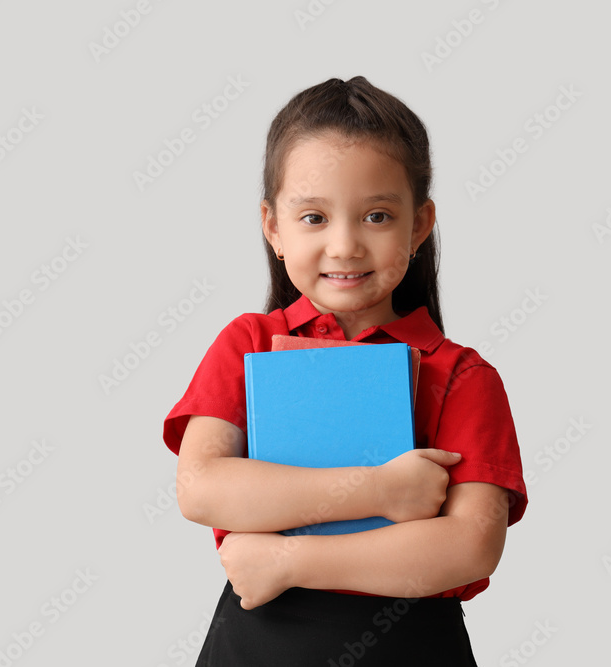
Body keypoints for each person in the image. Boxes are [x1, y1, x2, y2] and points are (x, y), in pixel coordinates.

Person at [161, 76, 528, 666]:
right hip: (258, 645)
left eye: (377, 215)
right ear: (272, 226)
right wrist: (383, 490)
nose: (345, 245)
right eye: (313, 217)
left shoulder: (463, 375)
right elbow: (201, 488)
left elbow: (470, 546)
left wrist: (289, 561)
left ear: (420, 224)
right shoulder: (247, 343)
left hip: (409, 646)